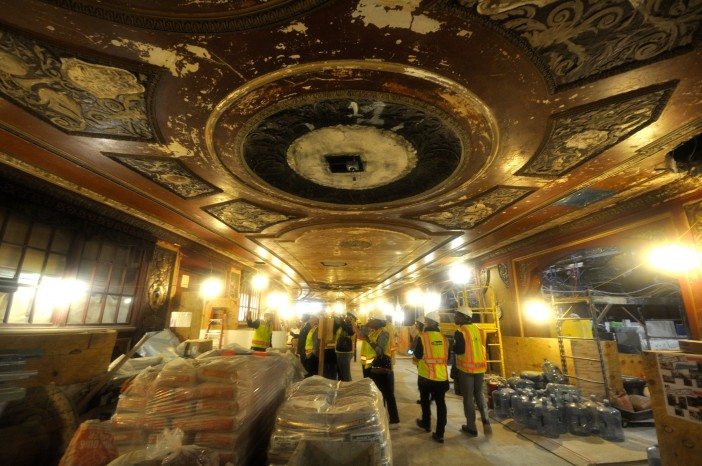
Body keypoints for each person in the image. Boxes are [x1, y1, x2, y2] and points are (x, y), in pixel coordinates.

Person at [358, 310, 400, 428]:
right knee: (374, 394)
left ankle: (395, 420)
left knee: (387, 393)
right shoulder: (373, 331)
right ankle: (378, 416)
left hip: (380, 367)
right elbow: (361, 334)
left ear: (379, 321)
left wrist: (369, 339)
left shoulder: (384, 333)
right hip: (369, 367)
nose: (371, 321)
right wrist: (366, 325)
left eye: (373, 320)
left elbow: (379, 350)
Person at [454, 305, 489, 437]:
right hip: (480, 367)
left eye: (457, 315)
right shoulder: (480, 330)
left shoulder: (460, 331)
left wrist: (454, 346)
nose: (455, 317)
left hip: (466, 369)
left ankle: (471, 426)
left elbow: (459, 350)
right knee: (479, 394)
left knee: (468, 397)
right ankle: (486, 419)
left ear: (465, 317)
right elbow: (482, 347)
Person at [414, 311, 449, 443]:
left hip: (425, 376)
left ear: (427, 322)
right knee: (441, 404)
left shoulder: (422, 337)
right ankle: (440, 433)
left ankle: (426, 423)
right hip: (441, 377)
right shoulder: (444, 338)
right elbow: (448, 357)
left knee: (424, 400)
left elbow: (417, 356)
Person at [335, 311, 357, 381]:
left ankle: (348, 388)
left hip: (346, 352)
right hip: (339, 351)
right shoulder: (344, 325)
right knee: (340, 373)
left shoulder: (353, 326)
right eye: (347, 316)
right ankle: (341, 387)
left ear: (353, 319)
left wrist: (341, 319)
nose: (347, 318)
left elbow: (349, 331)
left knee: (345, 374)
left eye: (349, 317)